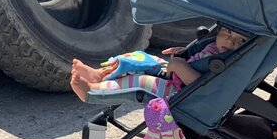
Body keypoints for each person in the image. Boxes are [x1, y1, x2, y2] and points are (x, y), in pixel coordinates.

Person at [70, 27, 248, 102]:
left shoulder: (232, 63)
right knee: (139, 57)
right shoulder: (215, 47)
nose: (230, 41)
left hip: (182, 92)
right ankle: (100, 74)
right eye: (227, 32)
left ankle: (92, 91)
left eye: (240, 39)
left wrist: (179, 66)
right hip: (174, 73)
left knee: (139, 81)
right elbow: (197, 57)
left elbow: (203, 86)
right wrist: (184, 54)